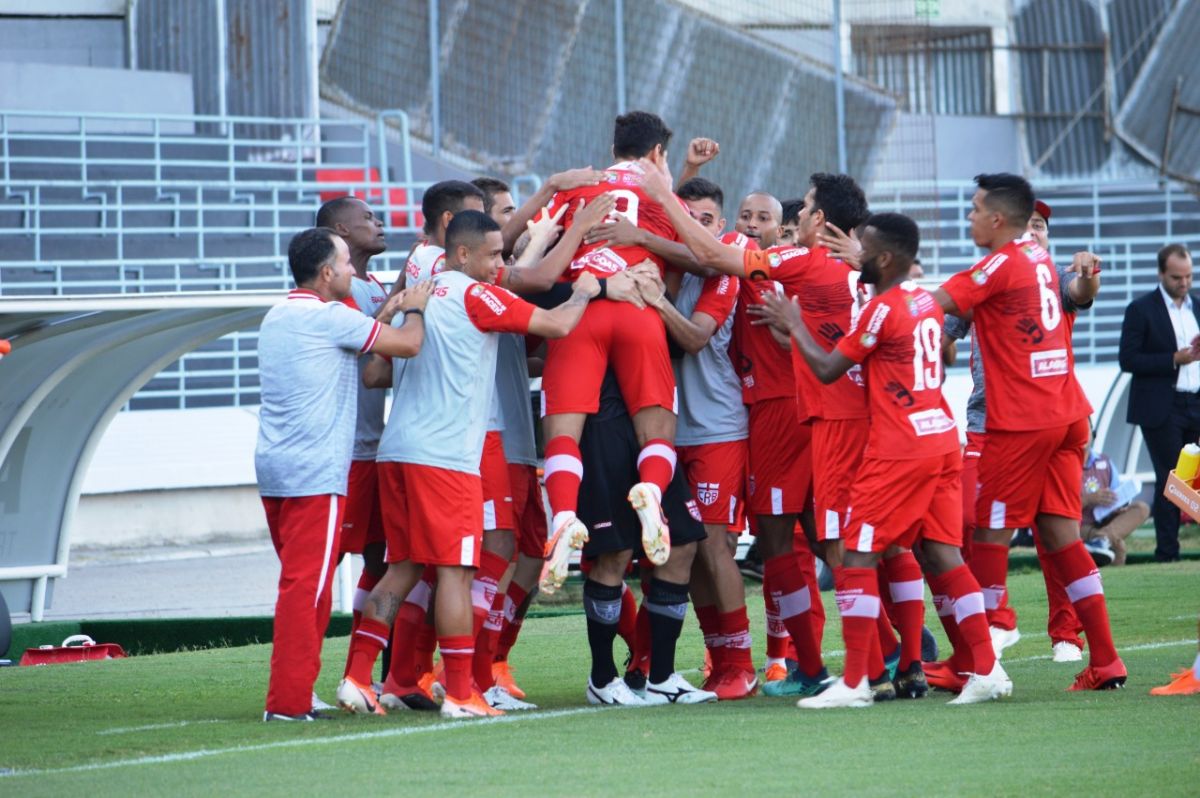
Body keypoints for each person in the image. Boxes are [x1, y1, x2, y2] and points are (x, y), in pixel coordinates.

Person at [338, 211, 600, 720]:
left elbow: (375, 371)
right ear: (462, 254)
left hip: (398, 450)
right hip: (445, 458)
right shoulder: (474, 294)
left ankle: (356, 677)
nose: (499, 264)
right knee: (459, 571)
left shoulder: (419, 291)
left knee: (402, 569)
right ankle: (460, 692)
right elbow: (558, 324)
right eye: (494, 254)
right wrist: (586, 290)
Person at [753, 212, 1009, 708]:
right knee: (942, 553)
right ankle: (987, 668)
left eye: (862, 249)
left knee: (856, 554)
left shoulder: (880, 309)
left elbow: (829, 368)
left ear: (885, 258)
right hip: (939, 436)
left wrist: (794, 322)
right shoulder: (921, 300)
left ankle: (855, 682)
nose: (854, 255)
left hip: (899, 449)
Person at [933, 173, 1125, 691]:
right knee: (1062, 534)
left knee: (987, 535)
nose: (968, 217)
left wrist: (875, 292)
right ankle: (1105, 660)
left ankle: (983, 656)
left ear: (997, 219)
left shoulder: (998, 265)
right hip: (1065, 417)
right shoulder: (1038, 261)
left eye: (974, 209)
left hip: (1020, 422)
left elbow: (928, 308)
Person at [256, 227, 431, 721]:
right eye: (346, 264)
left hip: (276, 470)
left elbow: (358, 333)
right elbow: (408, 345)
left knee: (304, 586)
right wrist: (414, 306)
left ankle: (297, 691)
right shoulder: (331, 317)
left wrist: (389, 306)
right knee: (303, 591)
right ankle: (287, 704)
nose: (355, 272)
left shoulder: (280, 314)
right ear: (327, 272)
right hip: (315, 473)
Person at [540, 110, 689, 586]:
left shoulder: (575, 185)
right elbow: (699, 254)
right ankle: (651, 489)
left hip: (581, 304)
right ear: (657, 153)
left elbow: (539, 252)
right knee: (657, 427)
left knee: (562, 432)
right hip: (639, 305)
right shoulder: (660, 193)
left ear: (612, 151)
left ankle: (563, 515)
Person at [313, 197, 391, 680]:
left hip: (378, 448)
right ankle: (299, 678)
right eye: (368, 219)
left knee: (385, 560)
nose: (379, 223)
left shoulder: (376, 286)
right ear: (341, 229)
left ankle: (369, 677)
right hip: (345, 455)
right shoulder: (332, 293)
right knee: (325, 566)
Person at [1118, 244, 1200, 563]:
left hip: (1195, 401)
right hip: (1162, 407)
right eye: (1177, 277)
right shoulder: (1141, 309)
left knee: (1192, 480)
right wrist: (1173, 359)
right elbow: (1128, 359)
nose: (1184, 283)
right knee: (1173, 478)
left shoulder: (1196, 307)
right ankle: (1168, 553)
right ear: (1161, 274)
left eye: (1189, 276)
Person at [1080, 431, 1150, 567]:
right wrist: (1088, 499)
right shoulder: (1065, 464)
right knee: (1118, 546)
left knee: (1141, 508)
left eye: (1086, 431)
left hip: (1107, 519)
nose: (1083, 436)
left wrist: (1118, 507)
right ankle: (1105, 541)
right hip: (1080, 524)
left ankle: (1101, 539)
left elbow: (1117, 493)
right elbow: (1059, 508)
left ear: (1094, 435)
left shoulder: (1105, 461)